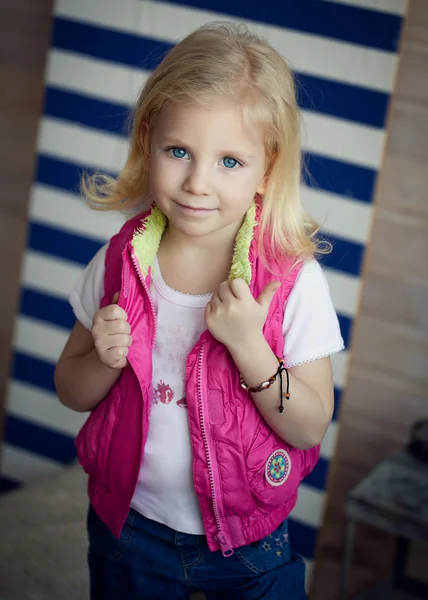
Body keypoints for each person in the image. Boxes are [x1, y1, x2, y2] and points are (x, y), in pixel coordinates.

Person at [54, 22, 344, 600]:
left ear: (268, 168)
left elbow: (309, 423)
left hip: (248, 546)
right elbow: (70, 387)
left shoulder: (292, 282)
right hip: (129, 531)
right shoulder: (119, 262)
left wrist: (249, 345)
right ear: (147, 141)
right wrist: (104, 361)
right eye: (179, 150)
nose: (196, 182)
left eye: (230, 161)